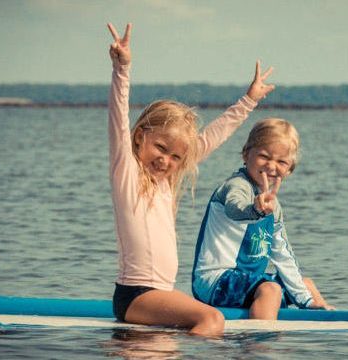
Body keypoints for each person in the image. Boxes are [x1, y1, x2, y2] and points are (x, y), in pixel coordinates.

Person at [107, 22, 275, 336]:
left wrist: (249, 100)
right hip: (136, 295)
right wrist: (122, 69)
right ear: (141, 137)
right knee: (211, 320)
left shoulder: (166, 182)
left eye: (176, 157)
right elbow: (118, 119)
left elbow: (212, 137)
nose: (166, 160)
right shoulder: (127, 173)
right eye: (160, 147)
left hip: (159, 295)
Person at [192, 118, 334, 319]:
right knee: (270, 290)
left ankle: (322, 318)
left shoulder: (273, 206)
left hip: (249, 281)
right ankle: (258, 345)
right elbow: (235, 208)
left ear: (289, 169)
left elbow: (282, 254)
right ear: (246, 154)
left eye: (281, 162)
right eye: (264, 156)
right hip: (214, 281)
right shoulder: (236, 186)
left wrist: (306, 300)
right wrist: (255, 209)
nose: (271, 166)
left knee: (306, 286)